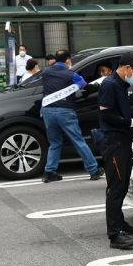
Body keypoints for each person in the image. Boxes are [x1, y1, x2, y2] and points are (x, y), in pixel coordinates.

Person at [98, 52, 133, 250]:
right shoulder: (110, 84)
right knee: (116, 187)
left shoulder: (121, 85)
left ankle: (120, 223)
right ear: (127, 67)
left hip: (122, 140)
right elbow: (106, 115)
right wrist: (130, 122)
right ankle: (115, 235)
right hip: (113, 143)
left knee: (122, 185)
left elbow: (118, 113)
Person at [40, 49, 104, 183]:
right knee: (78, 140)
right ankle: (93, 170)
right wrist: (99, 85)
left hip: (47, 111)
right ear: (68, 60)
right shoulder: (72, 75)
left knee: (54, 143)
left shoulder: (45, 72)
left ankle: (49, 172)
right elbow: (86, 87)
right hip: (65, 111)